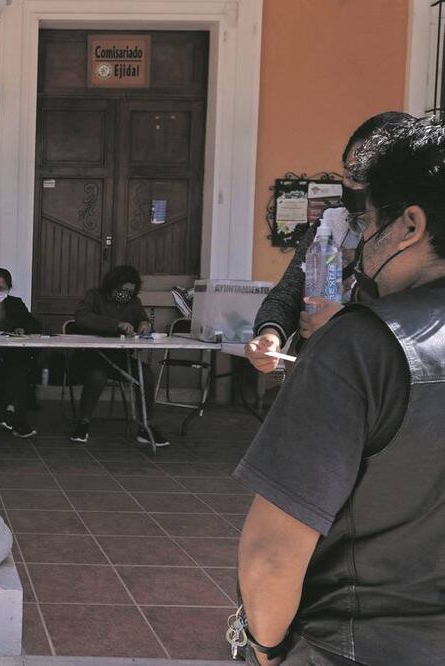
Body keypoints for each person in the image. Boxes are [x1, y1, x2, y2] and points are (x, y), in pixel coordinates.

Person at [233, 115, 445, 665]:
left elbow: (272, 554)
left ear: (410, 225)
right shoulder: (323, 233)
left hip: (357, 642)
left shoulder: (361, 345)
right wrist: (272, 331)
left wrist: (265, 651)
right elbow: (286, 292)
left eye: (371, 217)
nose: (361, 228)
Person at [245, 111, 413, 374]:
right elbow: (289, 290)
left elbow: (415, 319)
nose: (352, 185)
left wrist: (343, 322)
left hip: (369, 381)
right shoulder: (330, 222)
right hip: (314, 372)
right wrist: (271, 333)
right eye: (348, 173)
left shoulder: (413, 237)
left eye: (363, 178)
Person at [68, 265, 168, 447]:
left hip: (118, 359)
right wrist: (116, 324)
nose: (125, 295)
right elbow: (82, 318)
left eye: (130, 291)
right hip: (90, 357)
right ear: (112, 285)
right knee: (96, 376)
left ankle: (145, 426)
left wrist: (146, 324)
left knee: (145, 375)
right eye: (122, 290)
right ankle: (83, 423)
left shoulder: (134, 303)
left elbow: (142, 320)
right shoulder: (93, 296)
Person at [0, 267, 41, 438]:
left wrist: (21, 328)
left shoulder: (15, 303)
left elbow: (34, 325)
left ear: (8, 288)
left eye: (1, 288)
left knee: (20, 369)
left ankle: (13, 416)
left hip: (10, 353)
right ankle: (13, 416)